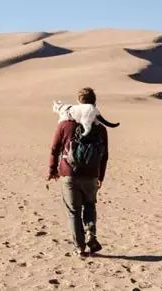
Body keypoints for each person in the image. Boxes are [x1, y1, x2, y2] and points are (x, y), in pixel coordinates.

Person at [47, 87, 108, 257]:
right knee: (90, 205)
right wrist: (100, 176)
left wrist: (52, 170)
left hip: (69, 174)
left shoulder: (65, 124)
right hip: (91, 175)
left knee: (73, 211)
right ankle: (91, 234)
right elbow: (104, 156)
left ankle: (79, 247)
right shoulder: (100, 128)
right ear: (94, 103)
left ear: (78, 102)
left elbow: (55, 149)